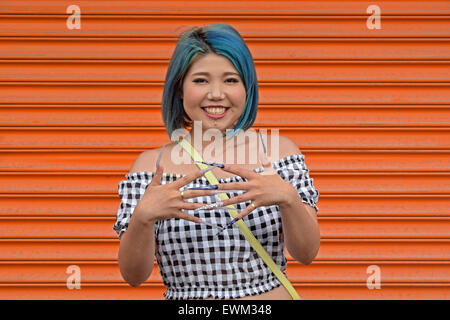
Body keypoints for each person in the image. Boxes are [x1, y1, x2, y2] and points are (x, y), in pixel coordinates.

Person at [113, 23, 320, 300]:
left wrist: (289, 198)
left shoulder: (279, 153)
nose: (216, 93)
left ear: (247, 88)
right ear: (179, 89)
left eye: (231, 80)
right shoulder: (151, 167)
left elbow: (306, 254)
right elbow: (133, 276)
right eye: (200, 80)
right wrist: (142, 218)